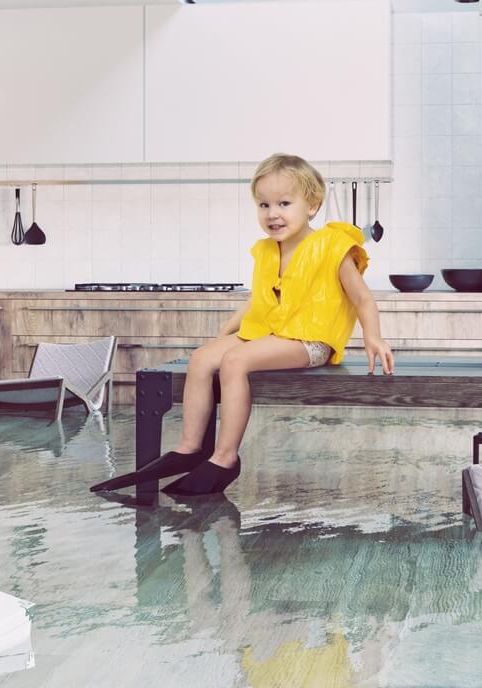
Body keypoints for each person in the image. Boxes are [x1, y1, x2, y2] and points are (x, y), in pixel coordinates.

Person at [133, 153, 394, 496]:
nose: (273, 213)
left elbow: (361, 298)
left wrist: (373, 336)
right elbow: (262, 299)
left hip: (310, 340)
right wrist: (229, 327)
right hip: (270, 332)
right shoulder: (269, 251)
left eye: (284, 203)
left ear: (312, 205)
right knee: (201, 359)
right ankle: (189, 449)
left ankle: (225, 458)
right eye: (264, 204)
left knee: (235, 361)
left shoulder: (332, 245)